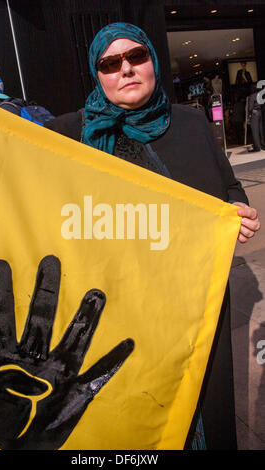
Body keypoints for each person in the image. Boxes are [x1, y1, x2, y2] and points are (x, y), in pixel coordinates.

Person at [44, 22, 260, 449]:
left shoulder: (193, 124)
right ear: (98, 73)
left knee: (203, 408)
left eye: (136, 57)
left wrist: (236, 208)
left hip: (199, 304)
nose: (125, 69)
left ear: (153, 63)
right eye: (110, 63)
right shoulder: (71, 136)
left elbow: (229, 184)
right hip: (124, 313)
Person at [247, 85, 265, 152]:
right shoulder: (261, 95)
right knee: (261, 130)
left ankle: (257, 147)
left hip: (255, 114)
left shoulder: (252, 96)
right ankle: (263, 145)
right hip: (261, 113)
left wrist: (249, 115)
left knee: (255, 131)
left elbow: (250, 108)